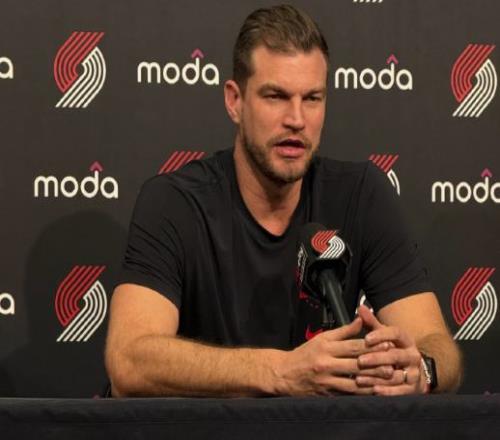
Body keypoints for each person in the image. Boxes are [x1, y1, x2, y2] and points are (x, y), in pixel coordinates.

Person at [105, 4, 462, 397]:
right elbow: (129, 362)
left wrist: (420, 370)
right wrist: (281, 372)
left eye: (312, 98)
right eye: (276, 96)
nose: (296, 119)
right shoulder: (175, 202)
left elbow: (439, 348)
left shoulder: (362, 193)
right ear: (234, 101)